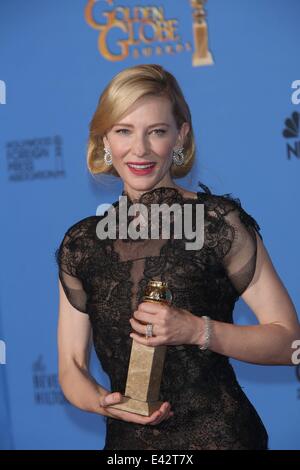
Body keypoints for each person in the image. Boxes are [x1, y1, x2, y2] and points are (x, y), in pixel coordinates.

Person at [55, 63, 300, 450]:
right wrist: (105, 405)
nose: (140, 149)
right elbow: (71, 367)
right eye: (123, 131)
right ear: (104, 139)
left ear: (180, 136)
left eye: (156, 132)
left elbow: (290, 343)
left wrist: (198, 331)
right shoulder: (81, 243)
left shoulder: (218, 223)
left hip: (220, 439)